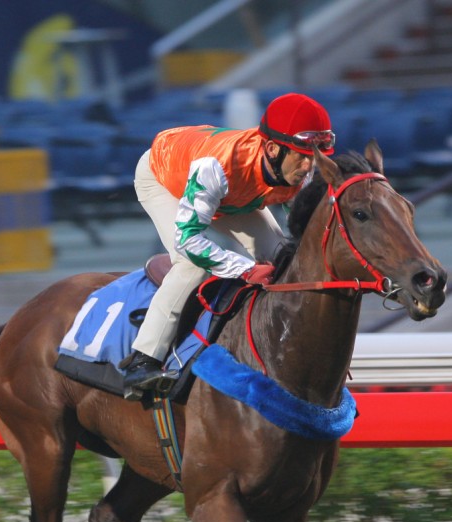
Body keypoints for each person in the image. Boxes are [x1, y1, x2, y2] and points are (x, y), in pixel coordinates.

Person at [120, 92, 336, 397]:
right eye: (301, 155)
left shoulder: (298, 167)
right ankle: (143, 361)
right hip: (165, 178)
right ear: (273, 149)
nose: (308, 165)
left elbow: (306, 234)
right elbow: (188, 240)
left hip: (235, 191)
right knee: (191, 265)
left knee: (282, 258)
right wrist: (246, 270)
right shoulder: (215, 168)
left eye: (315, 155)